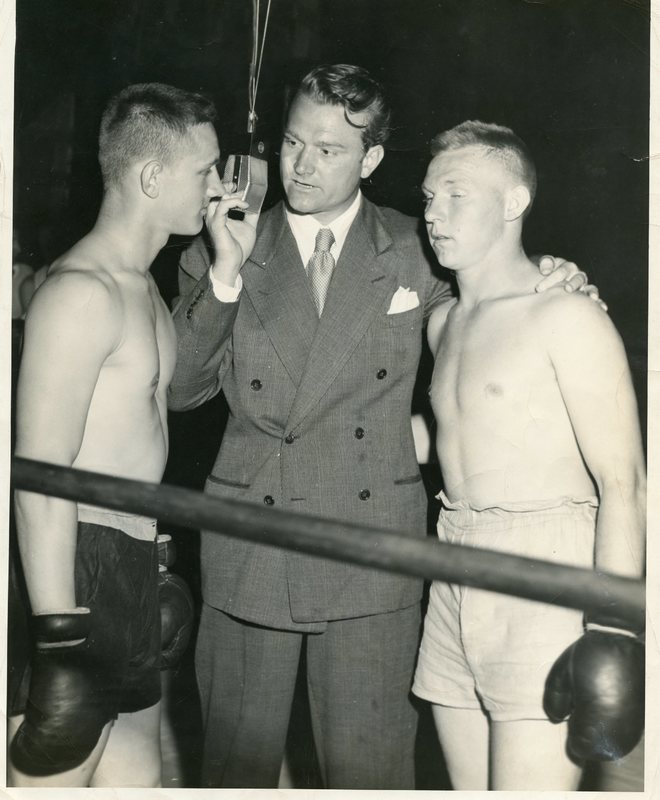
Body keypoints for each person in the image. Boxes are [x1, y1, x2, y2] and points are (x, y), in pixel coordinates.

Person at [169, 64, 595, 789]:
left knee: (370, 774)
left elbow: (504, 289)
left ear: (370, 160)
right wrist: (226, 274)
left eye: (329, 150)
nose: (302, 166)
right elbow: (181, 391)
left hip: (372, 554)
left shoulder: (419, 248)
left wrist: (559, 275)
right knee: (234, 772)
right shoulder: (222, 246)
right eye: (294, 143)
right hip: (250, 544)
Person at [10, 82, 258, 788]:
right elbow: (38, 476)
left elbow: (166, 401)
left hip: (133, 556)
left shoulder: (141, 288)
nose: (219, 187)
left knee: (134, 776)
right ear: (152, 177)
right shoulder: (80, 293)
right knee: (49, 780)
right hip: (72, 558)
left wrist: (226, 271)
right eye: (206, 170)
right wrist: (58, 637)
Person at [412, 120, 645, 790]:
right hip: (453, 557)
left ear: (514, 203)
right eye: (429, 196)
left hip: (547, 567)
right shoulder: (442, 321)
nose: (432, 212)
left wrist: (613, 629)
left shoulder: (565, 315)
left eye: (456, 195)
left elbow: (625, 479)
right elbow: (457, 436)